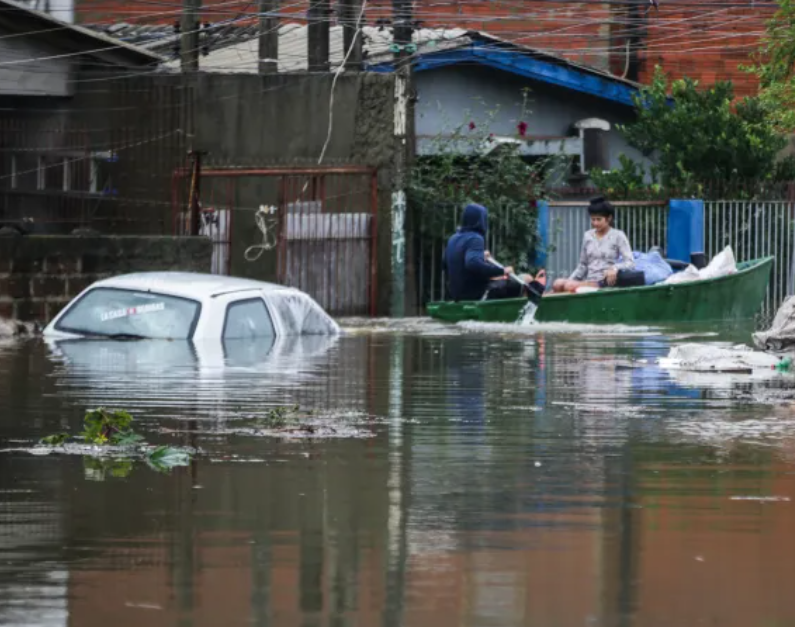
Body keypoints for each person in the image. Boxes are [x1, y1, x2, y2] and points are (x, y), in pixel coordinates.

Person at [444, 202, 545, 301]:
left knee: (507, 282)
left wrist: (480, 256)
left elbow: (446, 263)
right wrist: (502, 271)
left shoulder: (453, 238)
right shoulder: (475, 238)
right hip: (478, 294)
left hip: (457, 295)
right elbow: (472, 263)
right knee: (526, 278)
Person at [552, 196, 634, 293]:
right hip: (589, 280)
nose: (595, 223)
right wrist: (570, 280)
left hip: (604, 282)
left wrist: (615, 268)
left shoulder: (618, 235)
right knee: (557, 283)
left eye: (598, 219)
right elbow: (582, 265)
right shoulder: (588, 235)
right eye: (592, 219)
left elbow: (630, 263)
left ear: (609, 218)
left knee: (569, 286)